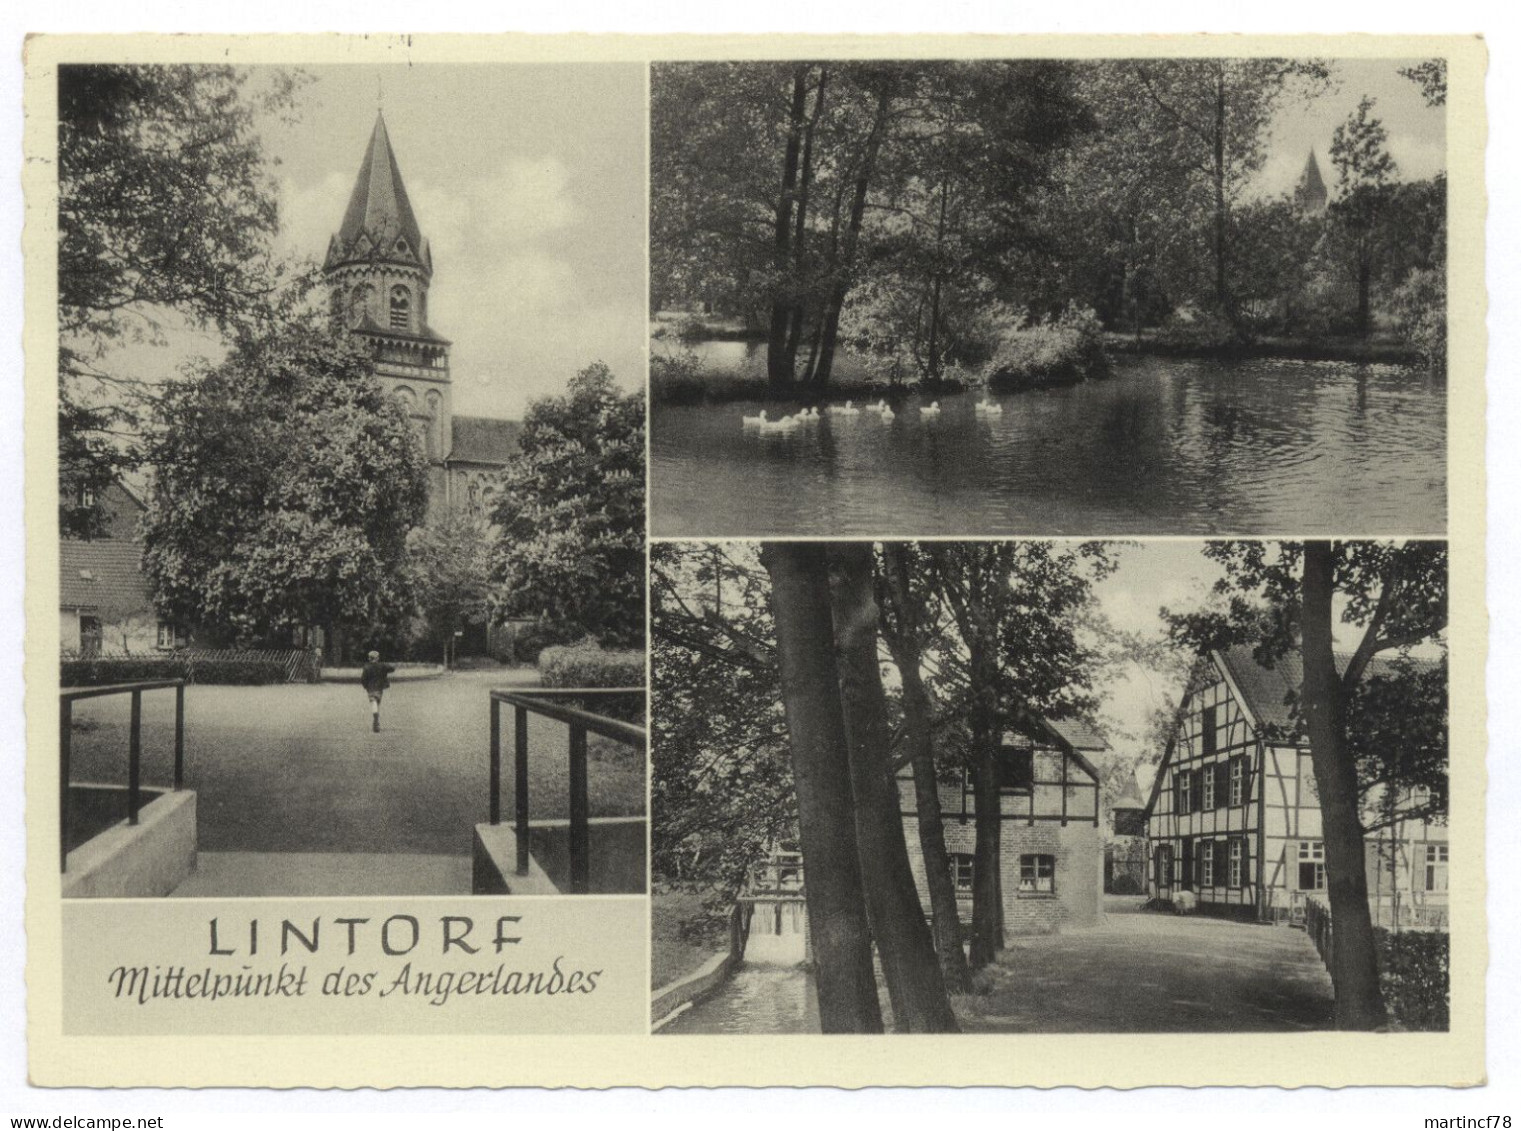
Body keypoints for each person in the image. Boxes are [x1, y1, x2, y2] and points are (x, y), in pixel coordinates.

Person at [360, 650, 396, 732]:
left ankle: (376, 719)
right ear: (377, 658)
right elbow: (392, 668)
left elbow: (363, 679)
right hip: (380, 688)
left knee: (373, 702)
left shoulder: (366, 667)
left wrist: (366, 686)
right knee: (377, 702)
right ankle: (376, 720)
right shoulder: (382, 666)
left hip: (370, 688)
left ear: (369, 658)